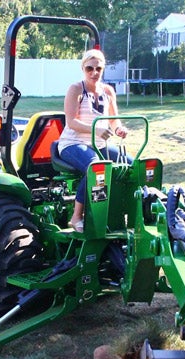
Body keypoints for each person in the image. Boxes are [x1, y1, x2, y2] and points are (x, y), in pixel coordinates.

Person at [57, 49, 130, 232]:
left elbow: (113, 119)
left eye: (98, 69)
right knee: (96, 168)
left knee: (130, 164)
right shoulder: (75, 89)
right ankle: (77, 216)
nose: (94, 73)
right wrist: (96, 129)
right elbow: (71, 122)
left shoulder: (108, 91)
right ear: (83, 68)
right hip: (73, 143)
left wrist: (119, 129)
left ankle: (124, 211)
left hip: (98, 144)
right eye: (89, 68)